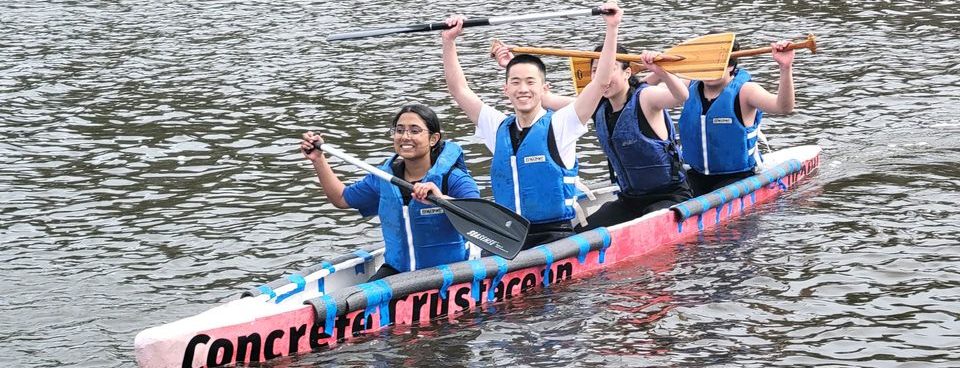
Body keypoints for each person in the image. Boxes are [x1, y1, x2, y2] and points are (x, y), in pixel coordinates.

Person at [440, 2, 622, 249]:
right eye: (515, 82)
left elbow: (600, 82)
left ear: (543, 89)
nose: (523, 89)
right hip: (508, 237)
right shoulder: (497, 128)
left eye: (530, 82)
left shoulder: (561, 124)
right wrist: (449, 41)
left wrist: (612, 28)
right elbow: (459, 90)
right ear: (506, 89)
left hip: (554, 237)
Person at [490, 42, 692, 231]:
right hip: (630, 200)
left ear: (627, 72)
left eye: (608, 69)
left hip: (669, 196)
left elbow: (681, 96)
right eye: (595, 71)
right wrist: (511, 66)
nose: (600, 76)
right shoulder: (597, 106)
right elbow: (542, 97)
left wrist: (660, 71)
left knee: (648, 225)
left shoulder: (646, 97)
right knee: (581, 232)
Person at [300, 104, 480, 281]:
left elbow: (479, 218)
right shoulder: (383, 178)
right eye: (399, 130)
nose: (405, 137)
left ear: (433, 139)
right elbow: (341, 198)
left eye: (415, 131)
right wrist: (318, 160)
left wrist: (441, 199)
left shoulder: (454, 178)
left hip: (450, 273)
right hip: (397, 271)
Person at [676, 37, 796, 195]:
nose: (710, 71)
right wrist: (655, 70)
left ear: (731, 65)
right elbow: (646, 94)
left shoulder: (746, 91)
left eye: (716, 65)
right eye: (706, 65)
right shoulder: (686, 86)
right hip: (694, 173)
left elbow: (783, 108)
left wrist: (785, 67)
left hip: (738, 177)